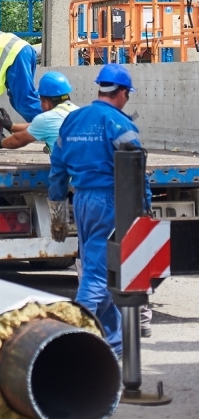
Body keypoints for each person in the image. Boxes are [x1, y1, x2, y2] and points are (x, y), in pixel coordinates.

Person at [49, 66, 150, 356]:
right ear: (122, 93)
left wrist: (57, 208)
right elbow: (136, 170)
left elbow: (57, 168)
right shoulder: (119, 124)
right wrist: (144, 207)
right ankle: (69, 341)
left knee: (103, 271)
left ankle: (113, 347)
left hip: (81, 200)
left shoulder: (73, 120)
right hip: (111, 201)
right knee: (97, 275)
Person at [0, 71, 78, 151]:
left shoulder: (46, 119)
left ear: (46, 102)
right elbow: (38, 126)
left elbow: (17, 140)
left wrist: (0, 142)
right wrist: (11, 126)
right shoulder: (79, 112)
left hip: (65, 160)